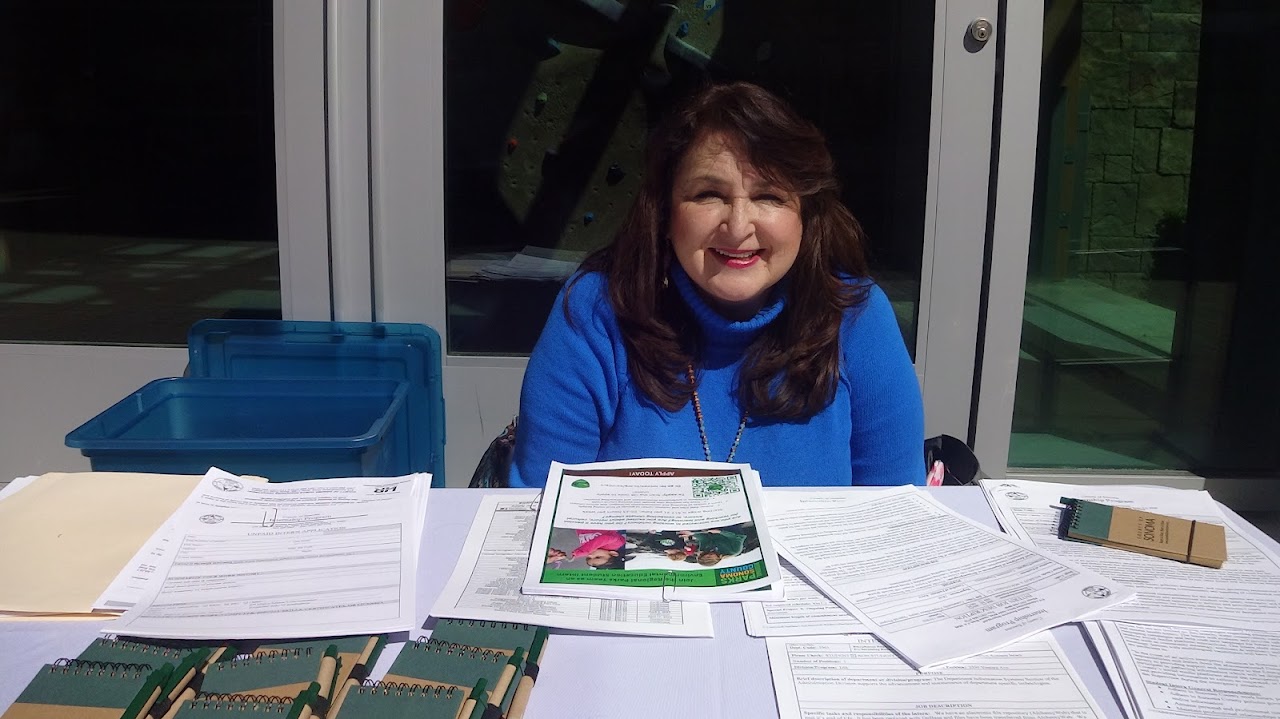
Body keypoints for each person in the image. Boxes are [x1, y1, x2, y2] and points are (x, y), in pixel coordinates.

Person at [510, 81, 924, 488]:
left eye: (769, 197)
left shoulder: (855, 318)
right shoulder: (599, 309)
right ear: (665, 212)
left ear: (806, 217)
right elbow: (543, 504)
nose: (739, 226)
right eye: (709, 194)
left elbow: (894, 518)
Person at [546, 529, 626, 568]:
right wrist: (583, 551)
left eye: (588, 558)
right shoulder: (616, 544)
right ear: (613, 553)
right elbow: (606, 538)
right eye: (598, 557)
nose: (590, 555)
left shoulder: (588, 548)